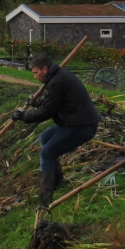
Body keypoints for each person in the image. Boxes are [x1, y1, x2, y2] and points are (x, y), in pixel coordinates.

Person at [12, 54, 99, 208]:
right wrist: (36, 102)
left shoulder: (57, 81)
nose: (34, 76)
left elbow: (46, 112)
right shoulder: (56, 78)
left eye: (35, 72)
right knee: (45, 138)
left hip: (81, 126)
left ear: (45, 69)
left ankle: (45, 199)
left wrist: (23, 116)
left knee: (46, 153)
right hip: (72, 122)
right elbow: (53, 102)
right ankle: (58, 182)